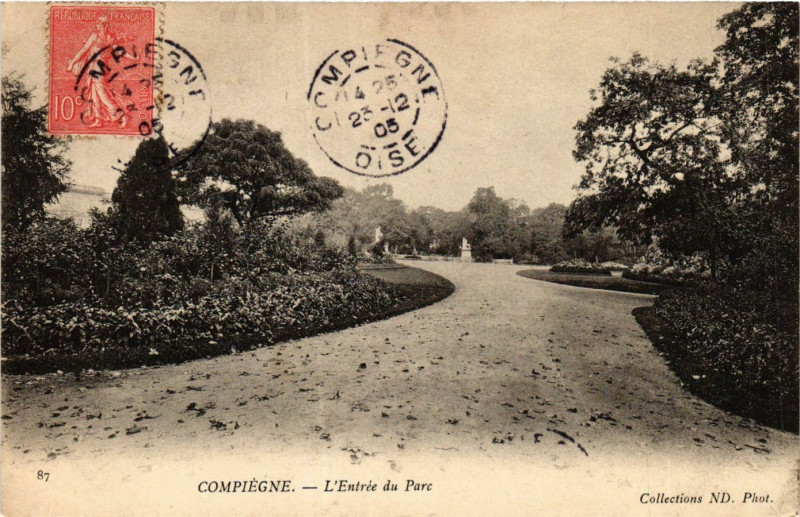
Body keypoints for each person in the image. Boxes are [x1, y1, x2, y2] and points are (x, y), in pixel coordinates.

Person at [67, 15, 130, 128]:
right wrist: (72, 63)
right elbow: (83, 51)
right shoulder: (96, 36)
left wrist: (132, 58)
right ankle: (98, 119)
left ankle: (121, 114)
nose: (96, 25)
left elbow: (119, 51)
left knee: (102, 92)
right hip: (94, 67)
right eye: (96, 23)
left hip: (100, 67)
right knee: (94, 93)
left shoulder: (108, 37)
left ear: (104, 25)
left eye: (98, 23)